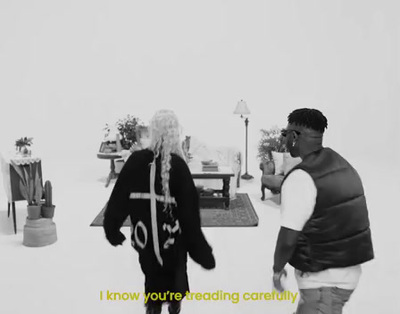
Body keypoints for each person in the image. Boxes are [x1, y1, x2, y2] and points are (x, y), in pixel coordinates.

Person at [103, 109, 216, 314]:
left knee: (152, 280)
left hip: (144, 240)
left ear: (153, 132)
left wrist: (112, 228)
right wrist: (203, 253)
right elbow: (190, 221)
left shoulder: (135, 161)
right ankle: (174, 306)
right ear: (175, 134)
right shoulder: (180, 168)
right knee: (175, 283)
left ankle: (153, 308)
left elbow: (118, 199)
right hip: (173, 244)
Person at [272, 108, 374, 314]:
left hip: (323, 283)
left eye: (285, 134)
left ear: (294, 136)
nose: (284, 140)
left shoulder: (301, 178)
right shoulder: (343, 165)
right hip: (346, 274)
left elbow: (288, 238)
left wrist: (277, 269)